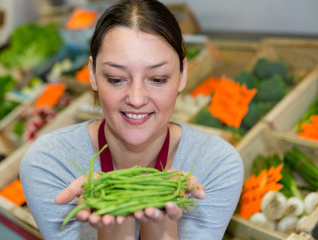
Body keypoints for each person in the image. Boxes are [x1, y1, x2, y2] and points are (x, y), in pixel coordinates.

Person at [20, 0, 244, 239]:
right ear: (93, 75)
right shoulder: (50, 162)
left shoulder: (216, 165)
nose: (136, 99)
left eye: (157, 79)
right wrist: (113, 228)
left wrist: (162, 227)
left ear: (182, 75)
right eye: (116, 79)